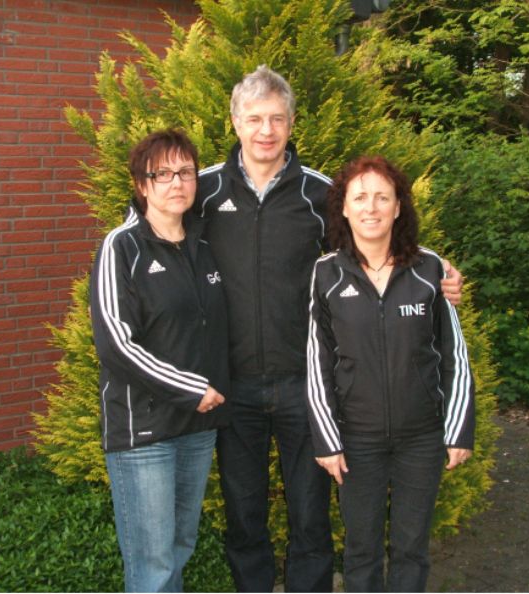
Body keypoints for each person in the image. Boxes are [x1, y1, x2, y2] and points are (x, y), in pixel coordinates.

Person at [196, 65, 464, 593]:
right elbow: (154, 232)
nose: (266, 130)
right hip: (232, 385)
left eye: (277, 118)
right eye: (255, 119)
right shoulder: (203, 190)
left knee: (310, 517)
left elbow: (375, 246)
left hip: (305, 386)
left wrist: (438, 271)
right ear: (235, 121)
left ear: (292, 123)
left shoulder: (319, 193)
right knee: (244, 515)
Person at [306, 156, 475, 593]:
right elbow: (317, 362)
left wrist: (457, 429)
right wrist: (327, 439)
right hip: (356, 438)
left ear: (398, 207)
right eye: (360, 197)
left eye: (383, 197)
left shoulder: (430, 269)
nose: (371, 207)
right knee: (360, 550)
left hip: (421, 437)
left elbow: (454, 354)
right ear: (344, 208)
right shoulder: (326, 273)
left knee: (411, 548)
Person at [89, 129, 230, 593]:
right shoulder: (122, 247)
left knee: (178, 548)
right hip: (144, 431)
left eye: (185, 172)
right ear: (142, 184)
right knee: (153, 566)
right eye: (162, 174)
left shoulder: (204, 246)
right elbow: (116, 344)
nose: (176, 183)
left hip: (197, 428)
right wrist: (191, 390)